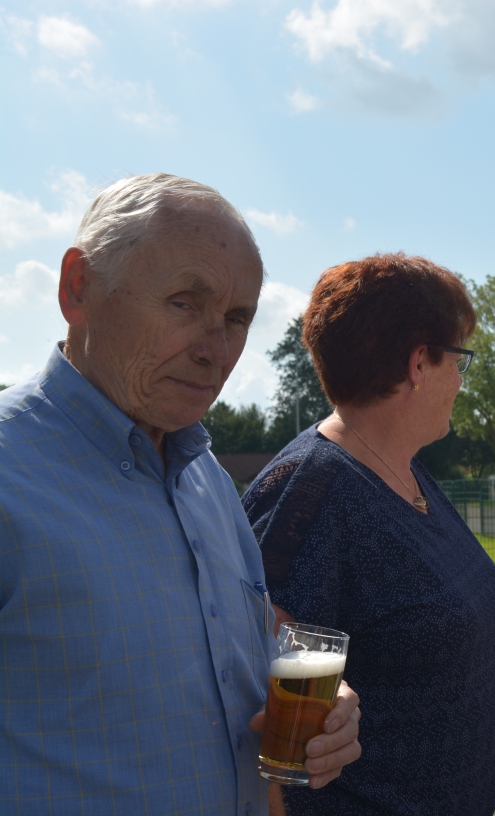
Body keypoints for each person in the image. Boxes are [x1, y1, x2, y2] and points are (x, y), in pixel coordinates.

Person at [0, 174, 362, 815]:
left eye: (236, 319)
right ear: (78, 287)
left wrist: (325, 710)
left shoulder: (207, 480)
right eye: (184, 303)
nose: (216, 351)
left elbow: (243, 670)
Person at [242, 252, 495, 815]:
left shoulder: (404, 469)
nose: (460, 380)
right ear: (419, 363)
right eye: (458, 360)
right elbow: (261, 699)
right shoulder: (310, 487)